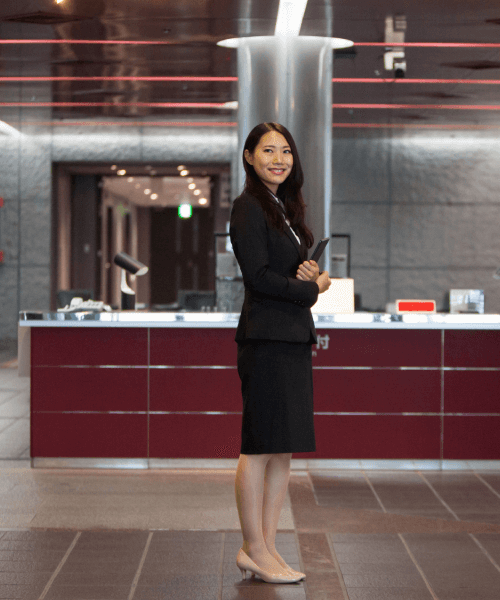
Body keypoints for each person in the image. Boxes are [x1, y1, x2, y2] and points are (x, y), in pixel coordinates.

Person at [229, 122, 331, 584]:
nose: (278, 159)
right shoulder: (247, 207)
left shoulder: (283, 210)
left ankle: (267, 547)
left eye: (286, 151)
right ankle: (253, 546)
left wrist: (305, 271)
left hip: (289, 338)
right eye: (268, 150)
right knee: (258, 447)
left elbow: (282, 273)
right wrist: (311, 289)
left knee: (281, 449)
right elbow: (259, 279)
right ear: (249, 156)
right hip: (266, 340)